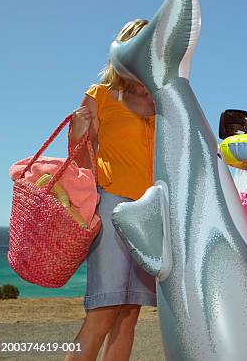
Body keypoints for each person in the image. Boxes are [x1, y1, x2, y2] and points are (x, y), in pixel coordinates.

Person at [66, 19, 156, 361]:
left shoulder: (164, 101)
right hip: (114, 208)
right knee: (103, 312)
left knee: (129, 315)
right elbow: (81, 166)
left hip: (151, 214)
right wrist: (78, 137)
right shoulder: (100, 95)